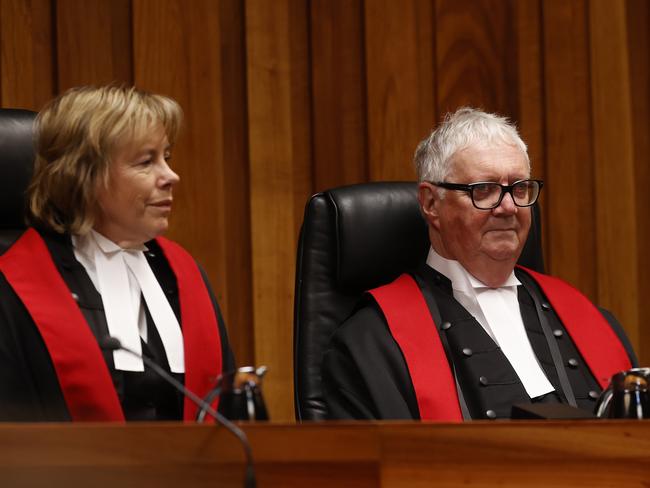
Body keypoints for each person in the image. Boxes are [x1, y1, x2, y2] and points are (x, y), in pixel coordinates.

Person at [322, 107, 637, 420]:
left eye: (519, 187)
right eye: (484, 190)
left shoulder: (589, 318)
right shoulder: (371, 342)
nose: (509, 207)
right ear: (431, 203)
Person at [0, 85, 234, 421]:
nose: (171, 176)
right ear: (84, 176)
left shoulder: (182, 273)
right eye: (146, 161)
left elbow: (226, 407)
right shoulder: (16, 285)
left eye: (166, 157)